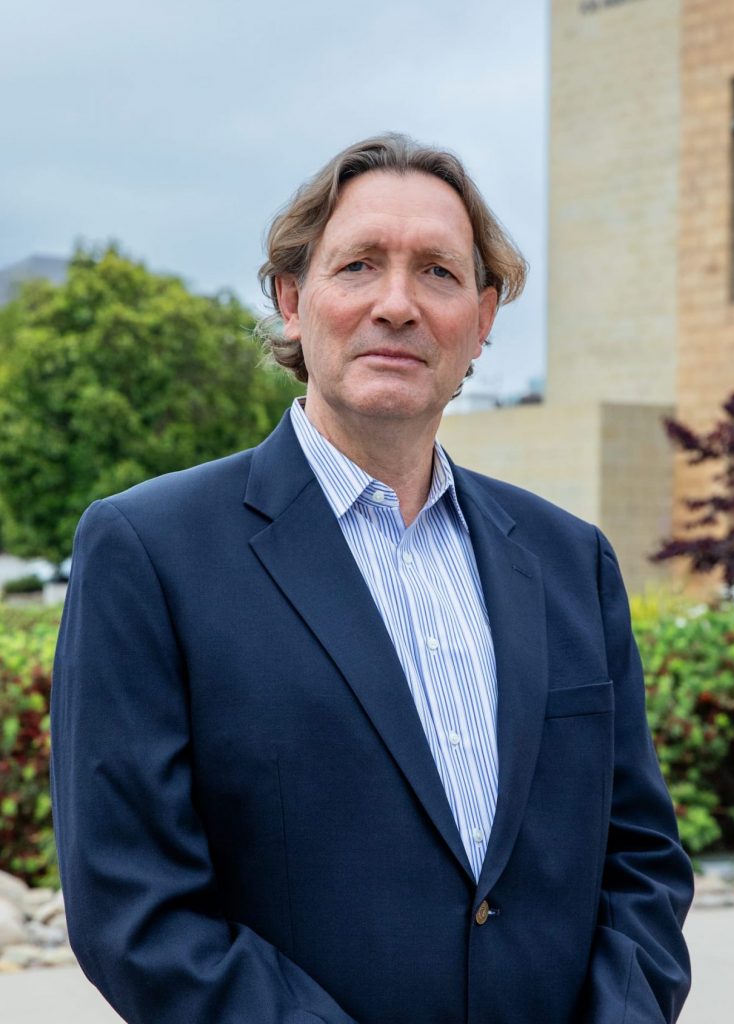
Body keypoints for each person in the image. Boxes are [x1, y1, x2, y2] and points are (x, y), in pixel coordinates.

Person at [52, 133, 693, 1024]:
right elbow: (138, 910)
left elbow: (641, 861)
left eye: (438, 272)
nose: (398, 304)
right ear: (290, 301)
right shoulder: (150, 551)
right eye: (358, 266)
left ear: (484, 317)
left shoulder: (569, 561)